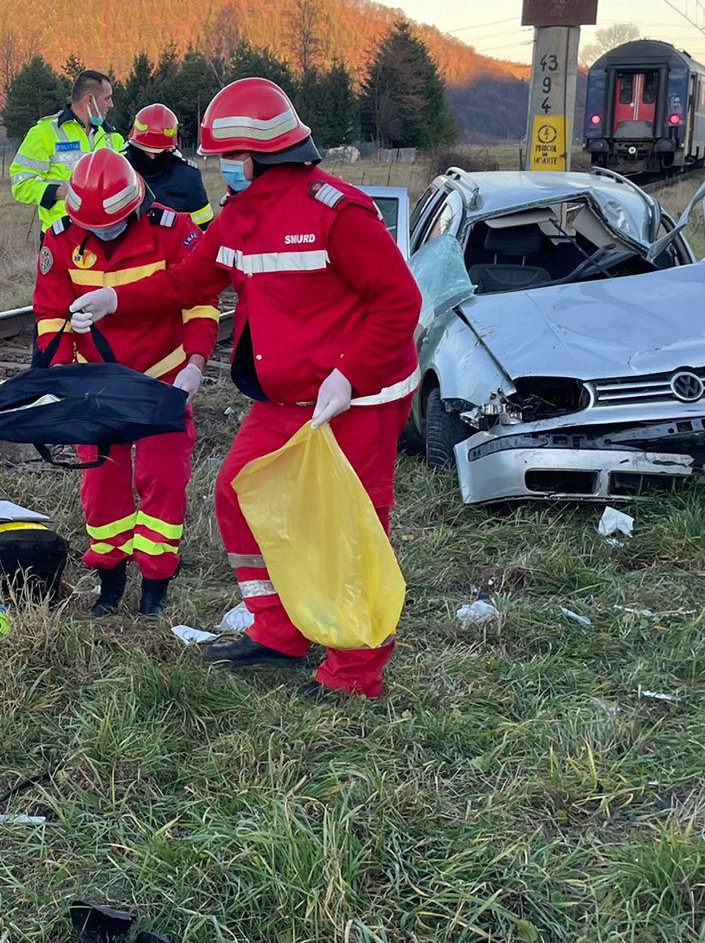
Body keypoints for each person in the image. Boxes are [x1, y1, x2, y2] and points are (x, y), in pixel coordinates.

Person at [68, 77, 421, 697]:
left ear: (257, 155)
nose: (220, 169)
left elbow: (399, 303)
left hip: (359, 398)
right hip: (284, 398)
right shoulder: (239, 216)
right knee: (236, 495)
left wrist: (349, 375)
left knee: (350, 525)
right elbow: (188, 283)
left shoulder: (336, 211)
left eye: (227, 158)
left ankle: (355, 672)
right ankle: (277, 633)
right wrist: (114, 298)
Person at [32, 150, 217, 618]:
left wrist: (195, 362)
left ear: (135, 204)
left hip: (163, 380)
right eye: (91, 225)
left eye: (110, 224)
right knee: (101, 488)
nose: (101, 233)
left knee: (163, 481)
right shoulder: (59, 241)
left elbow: (201, 301)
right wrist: (58, 376)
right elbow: (50, 315)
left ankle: (156, 583)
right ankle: (110, 581)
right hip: (97, 389)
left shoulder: (173, 231)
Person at [9, 68, 124, 229]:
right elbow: (20, 184)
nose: (111, 105)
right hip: (61, 235)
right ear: (90, 100)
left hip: (106, 234)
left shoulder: (112, 137)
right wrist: (60, 192)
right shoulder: (44, 133)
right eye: (107, 98)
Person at [125, 102, 214, 228]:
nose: (151, 158)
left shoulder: (188, 177)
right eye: (144, 150)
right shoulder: (119, 172)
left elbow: (204, 230)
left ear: (170, 149)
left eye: (158, 152)